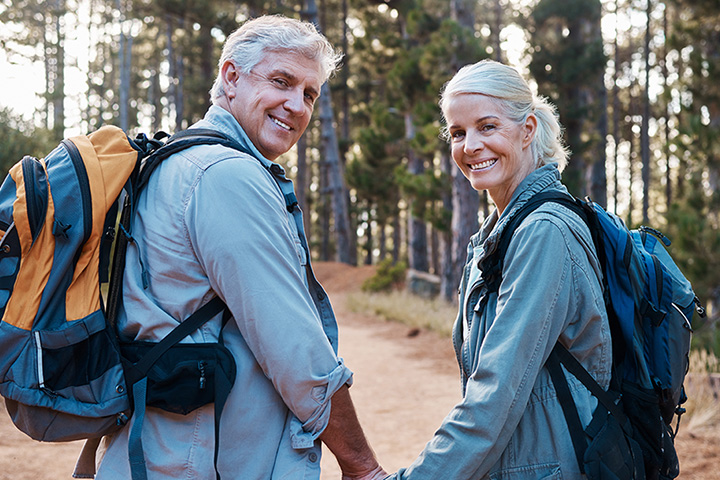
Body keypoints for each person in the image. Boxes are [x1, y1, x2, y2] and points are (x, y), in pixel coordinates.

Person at [95, 15, 386, 480]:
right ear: (231, 77)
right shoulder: (225, 175)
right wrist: (363, 467)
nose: (296, 105)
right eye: (281, 81)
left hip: (157, 453)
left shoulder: (176, 159)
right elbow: (295, 348)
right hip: (202, 461)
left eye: (309, 94)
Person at [387, 59, 612, 479]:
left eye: (487, 127)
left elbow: (496, 394)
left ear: (527, 130)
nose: (470, 145)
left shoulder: (543, 233)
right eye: (457, 133)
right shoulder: (500, 234)